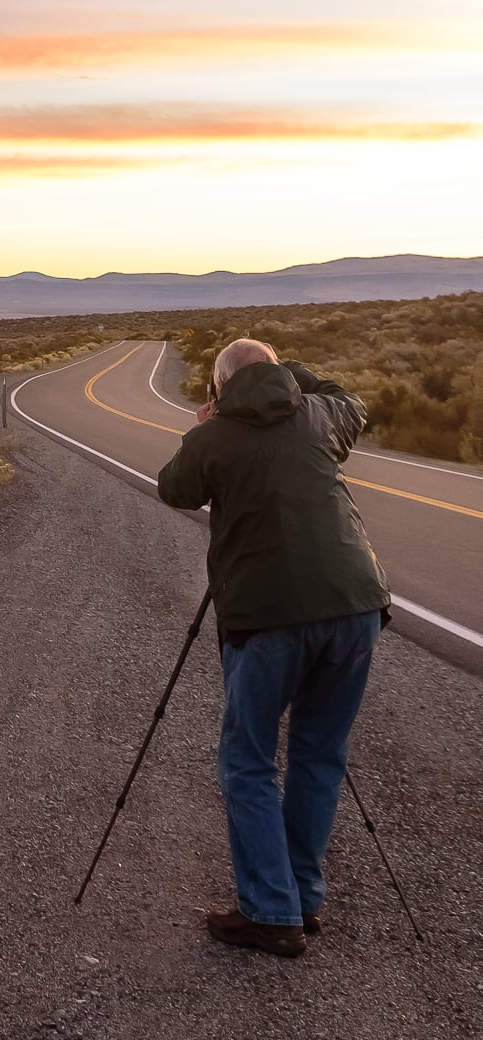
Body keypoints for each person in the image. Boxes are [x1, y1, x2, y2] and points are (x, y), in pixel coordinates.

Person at [157, 336, 390, 957]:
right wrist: (287, 372)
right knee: (319, 753)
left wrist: (201, 425)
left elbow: (174, 488)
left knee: (248, 761)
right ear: (282, 374)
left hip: (268, 617)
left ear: (219, 388)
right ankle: (303, 897)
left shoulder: (214, 435)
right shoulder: (320, 414)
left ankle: (271, 910)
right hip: (356, 606)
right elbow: (350, 400)